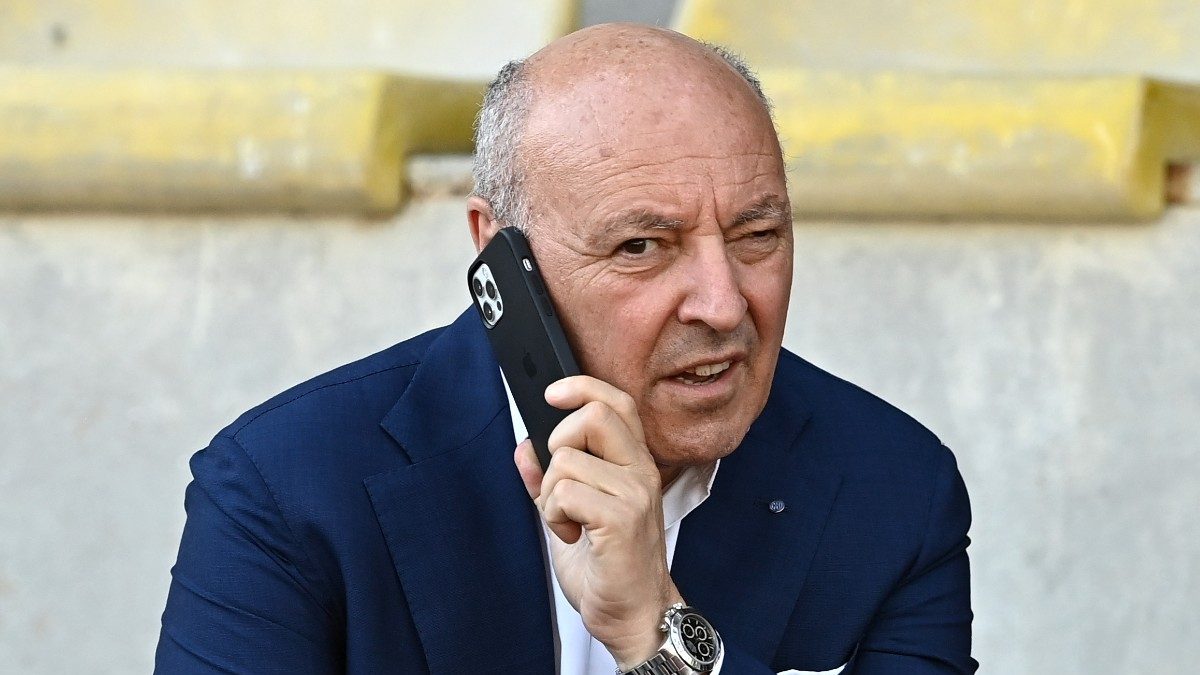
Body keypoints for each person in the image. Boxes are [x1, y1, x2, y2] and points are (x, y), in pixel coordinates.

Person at [156, 23, 976, 675]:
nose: (724, 304)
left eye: (757, 234)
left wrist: (659, 636)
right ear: (498, 253)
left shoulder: (897, 492)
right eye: (641, 246)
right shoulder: (286, 488)